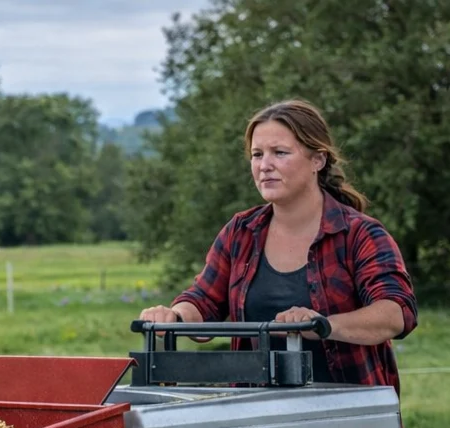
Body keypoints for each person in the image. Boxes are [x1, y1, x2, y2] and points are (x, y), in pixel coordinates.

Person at [138, 99, 416, 389]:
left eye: (280, 153)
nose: (265, 166)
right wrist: (175, 315)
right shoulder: (240, 232)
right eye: (257, 155)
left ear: (317, 160)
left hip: (349, 414)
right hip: (257, 414)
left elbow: (395, 313)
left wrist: (322, 325)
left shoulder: (360, 234)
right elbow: (204, 300)